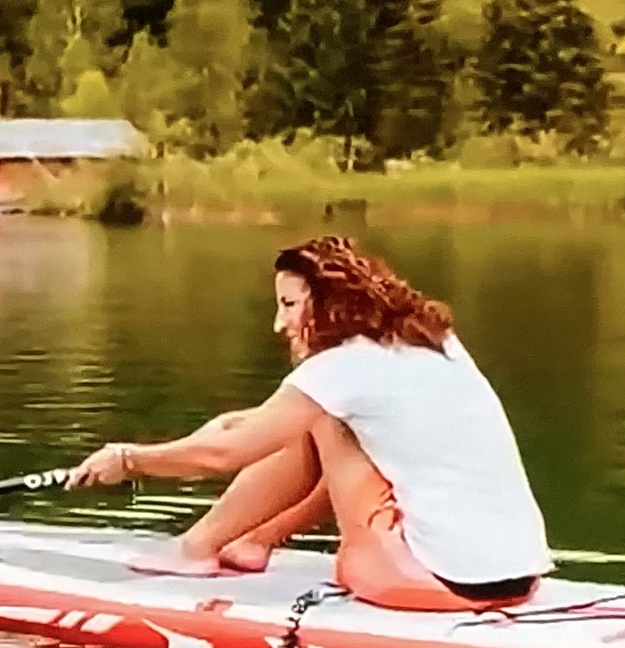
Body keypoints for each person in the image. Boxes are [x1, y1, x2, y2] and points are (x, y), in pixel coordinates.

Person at [66, 235, 551, 611]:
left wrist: (129, 459)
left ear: (332, 300)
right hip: (519, 580)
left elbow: (227, 453)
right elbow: (252, 428)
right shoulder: (434, 340)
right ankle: (252, 541)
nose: (280, 324)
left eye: (290, 305)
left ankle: (198, 548)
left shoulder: (340, 369)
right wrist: (231, 425)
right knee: (329, 425)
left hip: (439, 582)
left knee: (317, 423)